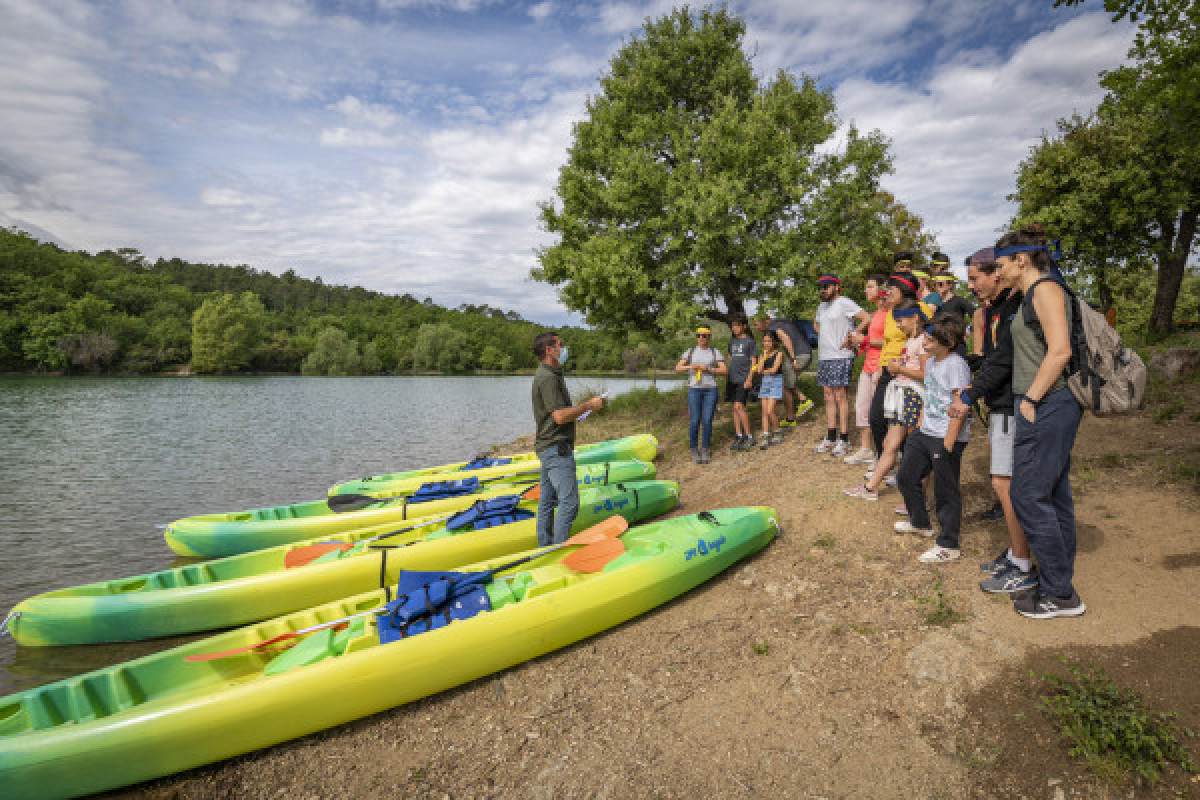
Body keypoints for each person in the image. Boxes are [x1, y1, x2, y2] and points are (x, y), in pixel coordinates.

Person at [995, 223, 1086, 619]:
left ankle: (1059, 593)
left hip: (1047, 401)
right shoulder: (1031, 293)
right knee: (1052, 493)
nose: (998, 272)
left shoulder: (1045, 290)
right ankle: (1057, 581)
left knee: (1028, 494)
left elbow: (1060, 350)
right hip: (1044, 402)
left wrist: (1031, 399)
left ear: (1021, 259)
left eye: (1001, 264)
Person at [948, 247, 1037, 593]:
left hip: (1010, 405)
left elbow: (1004, 362)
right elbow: (991, 358)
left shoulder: (1014, 308)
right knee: (1004, 483)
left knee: (1004, 484)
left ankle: (1022, 563)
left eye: (975, 278)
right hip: (1002, 403)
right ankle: (1017, 554)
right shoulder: (997, 309)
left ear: (995, 274)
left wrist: (970, 395)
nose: (971, 286)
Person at [896, 315, 972, 563]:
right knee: (906, 476)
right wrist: (919, 426)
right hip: (925, 431)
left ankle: (949, 544)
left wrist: (949, 440)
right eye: (925, 336)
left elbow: (960, 405)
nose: (925, 341)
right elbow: (930, 395)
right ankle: (920, 523)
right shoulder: (930, 363)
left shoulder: (956, 365)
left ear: (948, 342)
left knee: (945, 490)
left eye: (930, 339)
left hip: (946, 435)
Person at [843, 301, 930, 501]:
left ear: (915, 317)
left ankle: (920, 499)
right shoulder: (910, 340)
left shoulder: (924, 341)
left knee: (916, 449)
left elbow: (926, 375)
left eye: (901, 321)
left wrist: (899, 369)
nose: (898, 326)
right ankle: (871, 488)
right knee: (889, 443)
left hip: (913, 397)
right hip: (902, 396)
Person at [531, 331, 605, 546]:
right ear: (549, 350)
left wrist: (582, 411)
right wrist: (589, 405)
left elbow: (559, 414)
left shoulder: (550, 374)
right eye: (560, 345)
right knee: (570, 503)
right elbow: (560, 416)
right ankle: (558, 549)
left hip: (549, 446)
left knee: (547, 501)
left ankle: (545, 547)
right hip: (555, 448)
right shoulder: (547, 378)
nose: (564, 349)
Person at [866, 263, 936, 462]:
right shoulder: (890, 312)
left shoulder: (919, 309)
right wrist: (881, 367)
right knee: (877, 418)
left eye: (891, 289)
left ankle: (906, 464)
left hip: (909, 373)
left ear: (904, 289)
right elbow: (887, 342)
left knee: (905, 423)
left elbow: (928, 337)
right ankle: (885, 461)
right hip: (888, 370)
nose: (887, 293)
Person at [812, 274, 870, 457]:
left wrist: (852, 335)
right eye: (820, 287)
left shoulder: (844, 302)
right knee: (828, 395)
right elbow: (816, 326)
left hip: (841, 355)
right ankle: (830, 437)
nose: (822, 290)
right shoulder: (821, 307)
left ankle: (844, 439)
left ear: (836, 286)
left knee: (840, 395)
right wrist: (828, 337)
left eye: (826, 286)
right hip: (825, 356)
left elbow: (866, 318)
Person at [844, 273, 889, 465]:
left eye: (870, 286)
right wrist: (857, 343)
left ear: (882, 289)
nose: (865, 290)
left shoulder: (889, 313)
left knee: (879, 413)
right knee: (861, 409)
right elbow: (871, 342)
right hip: (867, 366)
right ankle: (865, 450)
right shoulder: (875, 313)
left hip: (881, 367)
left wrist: (865, 339)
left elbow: (890, 342)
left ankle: (884, 453)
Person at [675, 326, 727, 464]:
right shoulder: (690, 351)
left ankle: (705, 449)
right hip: (694, 389)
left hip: (711, 389)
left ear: (709, 337)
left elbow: (724, 370)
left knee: (707, 420)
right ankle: (694, 449)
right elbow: (678, 368)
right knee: (694, 420)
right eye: (699, 335)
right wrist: (690, 366)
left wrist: (709, 369)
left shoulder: (714, 352)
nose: (701, 338)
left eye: (704, 335)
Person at [752, 312, 815, 426]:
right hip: (805, 353)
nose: (756, 328)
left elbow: (785, 338)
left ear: (765, 320)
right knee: (785, 384)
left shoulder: (773, 327)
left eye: (756, 324)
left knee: (784, 382)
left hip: (799, 355)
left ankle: (804, 401)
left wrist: (793, 358)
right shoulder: (780, 322)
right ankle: (791, 418)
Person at [725, 315, 757, 452]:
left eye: (737, 325)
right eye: (733, 326)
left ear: (744, 326)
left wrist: (749, 379)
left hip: (743, 379)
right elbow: (730, 356)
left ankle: (749, 436)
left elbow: (754, 363)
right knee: (734, 408)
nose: (734, 328)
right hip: (732, 379)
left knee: (739, 407)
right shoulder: (732, 341)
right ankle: (739, 435)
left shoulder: (750, 342)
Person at [754, 330, 785, 449]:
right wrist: (764, 356)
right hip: (765, 382)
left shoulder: (779, 354)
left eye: (769, 341)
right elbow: (759, 370)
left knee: (770, 410)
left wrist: (763, 371)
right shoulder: (763, 355)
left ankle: (777, 431)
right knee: (764, 411)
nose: (766, 343)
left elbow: (774, 369)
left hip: (776, 381)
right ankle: (766, 435)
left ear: (774, 341)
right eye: (764, 341)